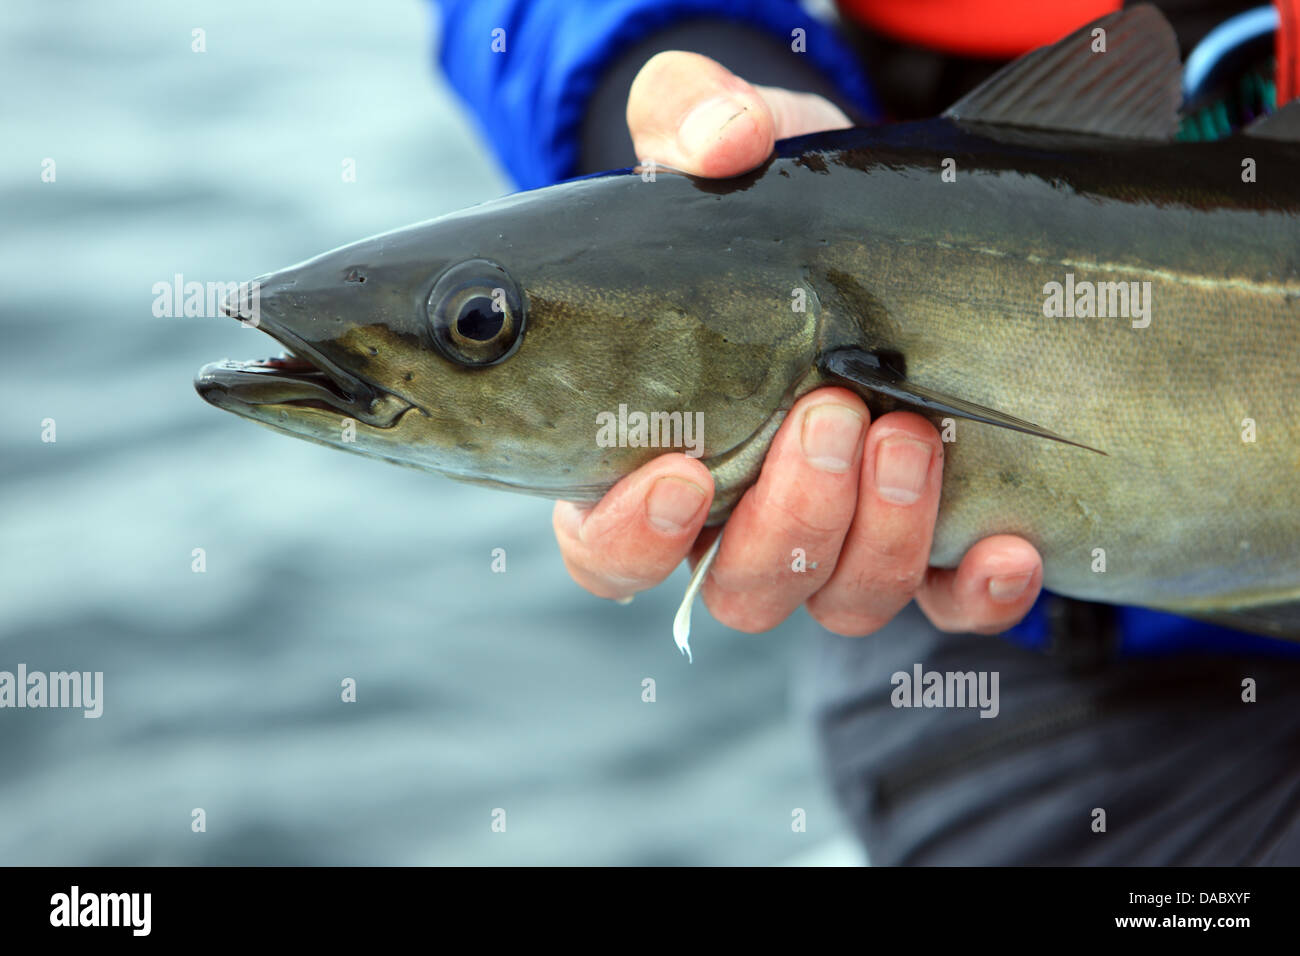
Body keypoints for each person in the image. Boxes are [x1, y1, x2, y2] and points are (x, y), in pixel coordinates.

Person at [434, 0, 1300, 863]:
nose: (471, 336)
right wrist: (674, 120)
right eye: (481, 327)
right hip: (1069, 700)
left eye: (479, 326)